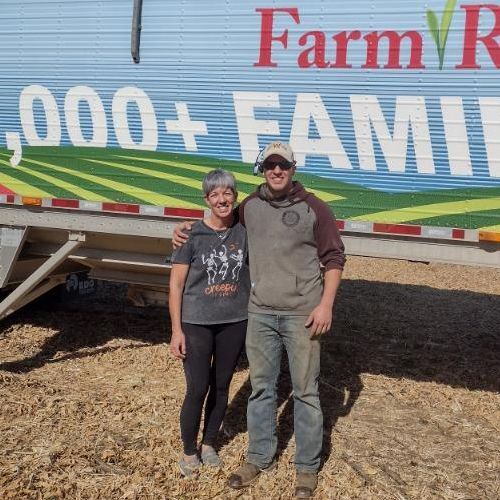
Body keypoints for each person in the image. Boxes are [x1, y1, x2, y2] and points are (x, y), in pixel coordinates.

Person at [173, 142, 345, 497]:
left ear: (293, 168)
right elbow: (215, 224)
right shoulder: (249, 207)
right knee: (262, 389)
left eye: (282, 164)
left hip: (303, 314)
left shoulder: (316, 208)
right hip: (260, 313)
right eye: (270, 164)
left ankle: (306, 468)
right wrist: (182, 230)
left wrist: (326, 304)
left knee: (306, 392)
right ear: (262, 169)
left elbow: (334, 258)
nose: (276, 170)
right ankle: (259, 457)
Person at [169, 169, 250, 477]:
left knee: (221, 384)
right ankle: (189, 451)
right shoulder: (191, 235)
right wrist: (176, 330)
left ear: (235, 196)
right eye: (214, 194)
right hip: (196, 322)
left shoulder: (244, 231)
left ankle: (209, 443)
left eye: (227, 192)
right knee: (198, 387)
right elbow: (176, 286)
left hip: (234, 321)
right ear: (206, 199)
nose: (221, 199)